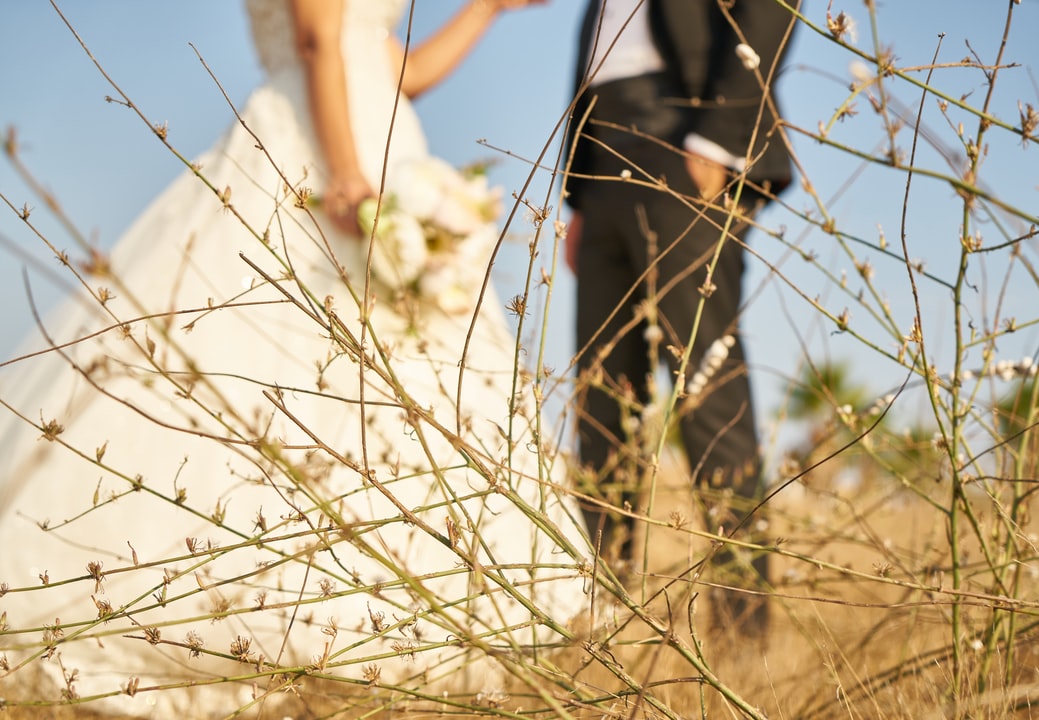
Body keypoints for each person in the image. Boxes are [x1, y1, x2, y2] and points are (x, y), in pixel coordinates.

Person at [0, 1, 588, 716]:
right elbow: (316, 40)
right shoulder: (326, 115)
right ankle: (254, 610)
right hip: (318, 141)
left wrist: (486, 10)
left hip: (381, 133)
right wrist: (345, 174)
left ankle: (395, 613)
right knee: (276, 347)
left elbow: (391, 68)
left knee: (407, 369)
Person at [563, 0, 794, 624]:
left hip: (688, 134)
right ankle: (602, 614)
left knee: (706, 383)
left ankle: (742, 628)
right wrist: (579, 194)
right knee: (602, 394)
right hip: (601, 158)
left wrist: (722, 133)